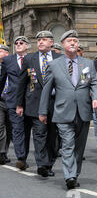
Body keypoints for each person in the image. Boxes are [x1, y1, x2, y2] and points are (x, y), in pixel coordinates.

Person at [38, 30, 97, 190]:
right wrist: (43, 112)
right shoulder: (53, 65)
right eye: (69, 41)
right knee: (67, 144)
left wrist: (96, 98)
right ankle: (70, 176)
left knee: (79, 147)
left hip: (83, 110)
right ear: (63, 44)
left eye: (75, 40)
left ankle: (75, 172)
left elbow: (95, 83)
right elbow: (46, 89)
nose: (72, 43)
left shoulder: (87, 64)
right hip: (63, 111)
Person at [16, 31, 62, 177]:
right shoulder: (30, 58)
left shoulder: (59, 58)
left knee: (53, 136)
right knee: (39, 134)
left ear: (51, 42)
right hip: (35, 102)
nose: (40, 42)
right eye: (39, 40)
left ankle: (49, 163)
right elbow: (22, 82)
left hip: (54, 103)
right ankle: (42, 164)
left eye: (44, 40)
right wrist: (19, 104)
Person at [0, 36, 33, 170]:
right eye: (16, 43)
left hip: (30, 101)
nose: (18, 44)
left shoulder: (33, 59)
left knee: (26, 130)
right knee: (17, 129)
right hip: (13, 100)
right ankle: (21, 158)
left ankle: (23, 155)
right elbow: (2, 79)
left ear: (28, 46)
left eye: (22, 43)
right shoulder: (8, 60)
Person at [0, 44, 12, 165]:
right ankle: (1, 153)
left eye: (0, 51)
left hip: (12, 100)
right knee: (0, 126)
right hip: (1, 100)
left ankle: (4, 151)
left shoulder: (11, 65)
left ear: (6, 53)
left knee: (9, 128)